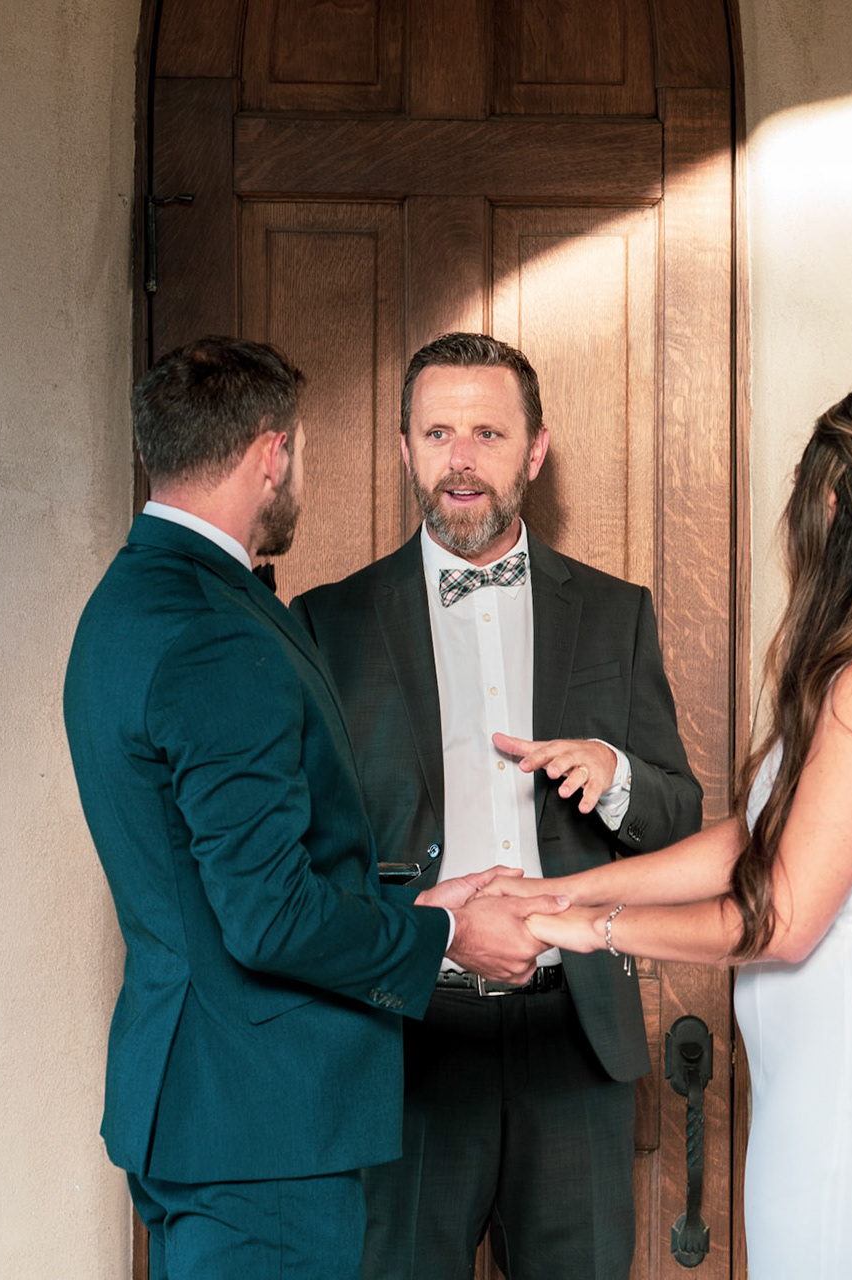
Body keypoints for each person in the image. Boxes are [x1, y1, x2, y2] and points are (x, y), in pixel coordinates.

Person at [61, 336, 564, 1280]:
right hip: (265, 1130)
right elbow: (268, 916)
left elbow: (215, 878)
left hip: (202, 1108)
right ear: (271, 453)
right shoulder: (214, 634)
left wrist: (418, 905)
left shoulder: (129, 601)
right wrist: (444, 936)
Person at [507, 387, 852, 1278]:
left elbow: (780, 923)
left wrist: (593, 932)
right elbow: (755, 844)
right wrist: (565, 889)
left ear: (829, 506)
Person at [291, 332, 703, 1280]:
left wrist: (617, 773)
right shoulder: (326, 623)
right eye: (438, 434)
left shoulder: (617, 613)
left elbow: (680, 821)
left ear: (535, 450)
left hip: (576, 1043)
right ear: (405, 450)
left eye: (488, 433)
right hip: (406, 1041)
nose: (462, 460)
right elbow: (308, 856)